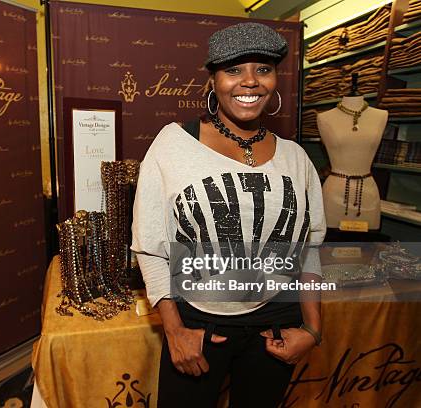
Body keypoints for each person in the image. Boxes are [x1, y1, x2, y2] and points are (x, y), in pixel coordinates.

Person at [130, 22, 326, 407]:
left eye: (263, 69)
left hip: (276, 323)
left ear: (275, 80)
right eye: (234, 69)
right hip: (198, 322)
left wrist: (313, 329)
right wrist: (174, 331)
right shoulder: (173, 144)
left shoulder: (296, 158)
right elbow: (150, 246)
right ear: (213, 80)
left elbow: (309, 248)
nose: (250, 82)